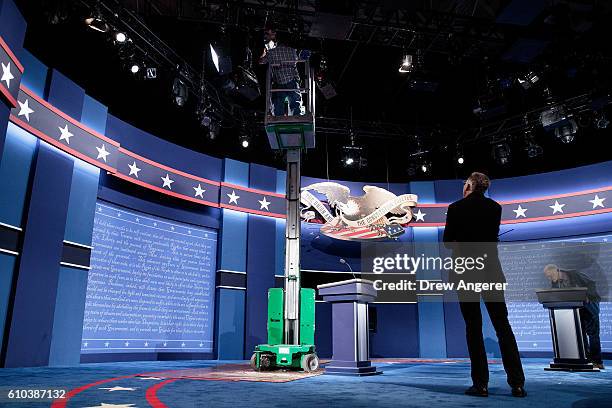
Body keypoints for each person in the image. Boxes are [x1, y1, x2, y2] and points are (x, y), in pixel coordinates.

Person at [443, 172, 526, 398]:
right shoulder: (495, 208)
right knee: (502, 325)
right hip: (491, 271)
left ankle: (480, 385)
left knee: (473, 327)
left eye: (464, 184)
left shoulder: (455, 208)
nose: (463, 187)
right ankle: (517, 384)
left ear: (470, 185)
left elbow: (448, 242)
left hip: (466, 273)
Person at [543, 264, 604, 369]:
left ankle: (597, 362)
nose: (550, 278)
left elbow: (591, 283)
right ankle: (587, 359)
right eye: (548, 277)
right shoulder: (555, 282)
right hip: (576, 309)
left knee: (593, 334)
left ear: (557, 270)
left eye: (551, 275)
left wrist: (587, 295)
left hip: (590, 307)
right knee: (581, 334)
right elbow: (554, 295)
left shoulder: (574, 274)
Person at [259, 28, 302, 116]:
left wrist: (263, 53)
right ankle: (297, 116)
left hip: (278, 80)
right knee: (295, 101)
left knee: (278, 103)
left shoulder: (271, 52)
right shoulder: (292, 50)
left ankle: (278, 118)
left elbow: (261, 61)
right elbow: (296, 61)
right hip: (292, 79)